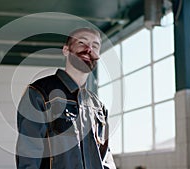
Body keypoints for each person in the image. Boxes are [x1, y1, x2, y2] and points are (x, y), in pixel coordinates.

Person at [16, 27, 116, 169]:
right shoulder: (40, 93)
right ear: (66, 50)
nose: (89, 49)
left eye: (95, 46)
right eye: (82, 42)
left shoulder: (98, 107)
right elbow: (29, 154)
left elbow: (106, 159)